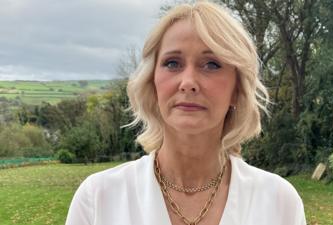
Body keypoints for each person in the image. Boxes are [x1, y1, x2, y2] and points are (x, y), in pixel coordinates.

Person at [66, 1, 306, 225]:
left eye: (211, 64)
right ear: (152, 83)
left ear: (236, 90)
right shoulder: (98, 199)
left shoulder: (279, 202)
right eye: (173, 63)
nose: (188, 82)